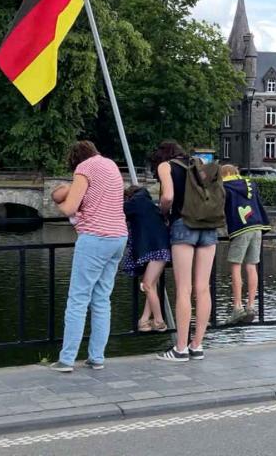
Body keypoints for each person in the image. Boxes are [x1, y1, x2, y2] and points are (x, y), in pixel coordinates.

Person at [49, 140, 127, 373]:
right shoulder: (111, 165)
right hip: (118, 237)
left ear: (75, 160)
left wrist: (61, 204)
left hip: (95, 237)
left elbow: (69, 208)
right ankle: (97, 357)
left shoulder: (85, 168)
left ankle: (67, 359)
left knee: (78, 299)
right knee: (102, 299)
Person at [152, 141, 223, 363]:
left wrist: (163, 212)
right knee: (203, 288)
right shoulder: (201, 165)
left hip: (183, 225)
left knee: (184, 288)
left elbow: (168, 197)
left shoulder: (166, 166)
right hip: (209, 226)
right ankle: (197, 345)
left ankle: (180, 348)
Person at [220, 164, 270, 324]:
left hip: (240, 229)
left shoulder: (225, 186)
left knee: (235, 266)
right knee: (251, 265)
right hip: (257, 226)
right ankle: (251, 306)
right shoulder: (250, 183)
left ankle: (237, 307)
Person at [122, 185, 171, 332]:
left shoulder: (135, 204)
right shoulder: (149, 204)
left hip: (154, 250)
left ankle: (159, 321)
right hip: (162, 249)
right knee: (152, 285)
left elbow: (120, 211)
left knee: (148, 285)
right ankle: (144, 320)